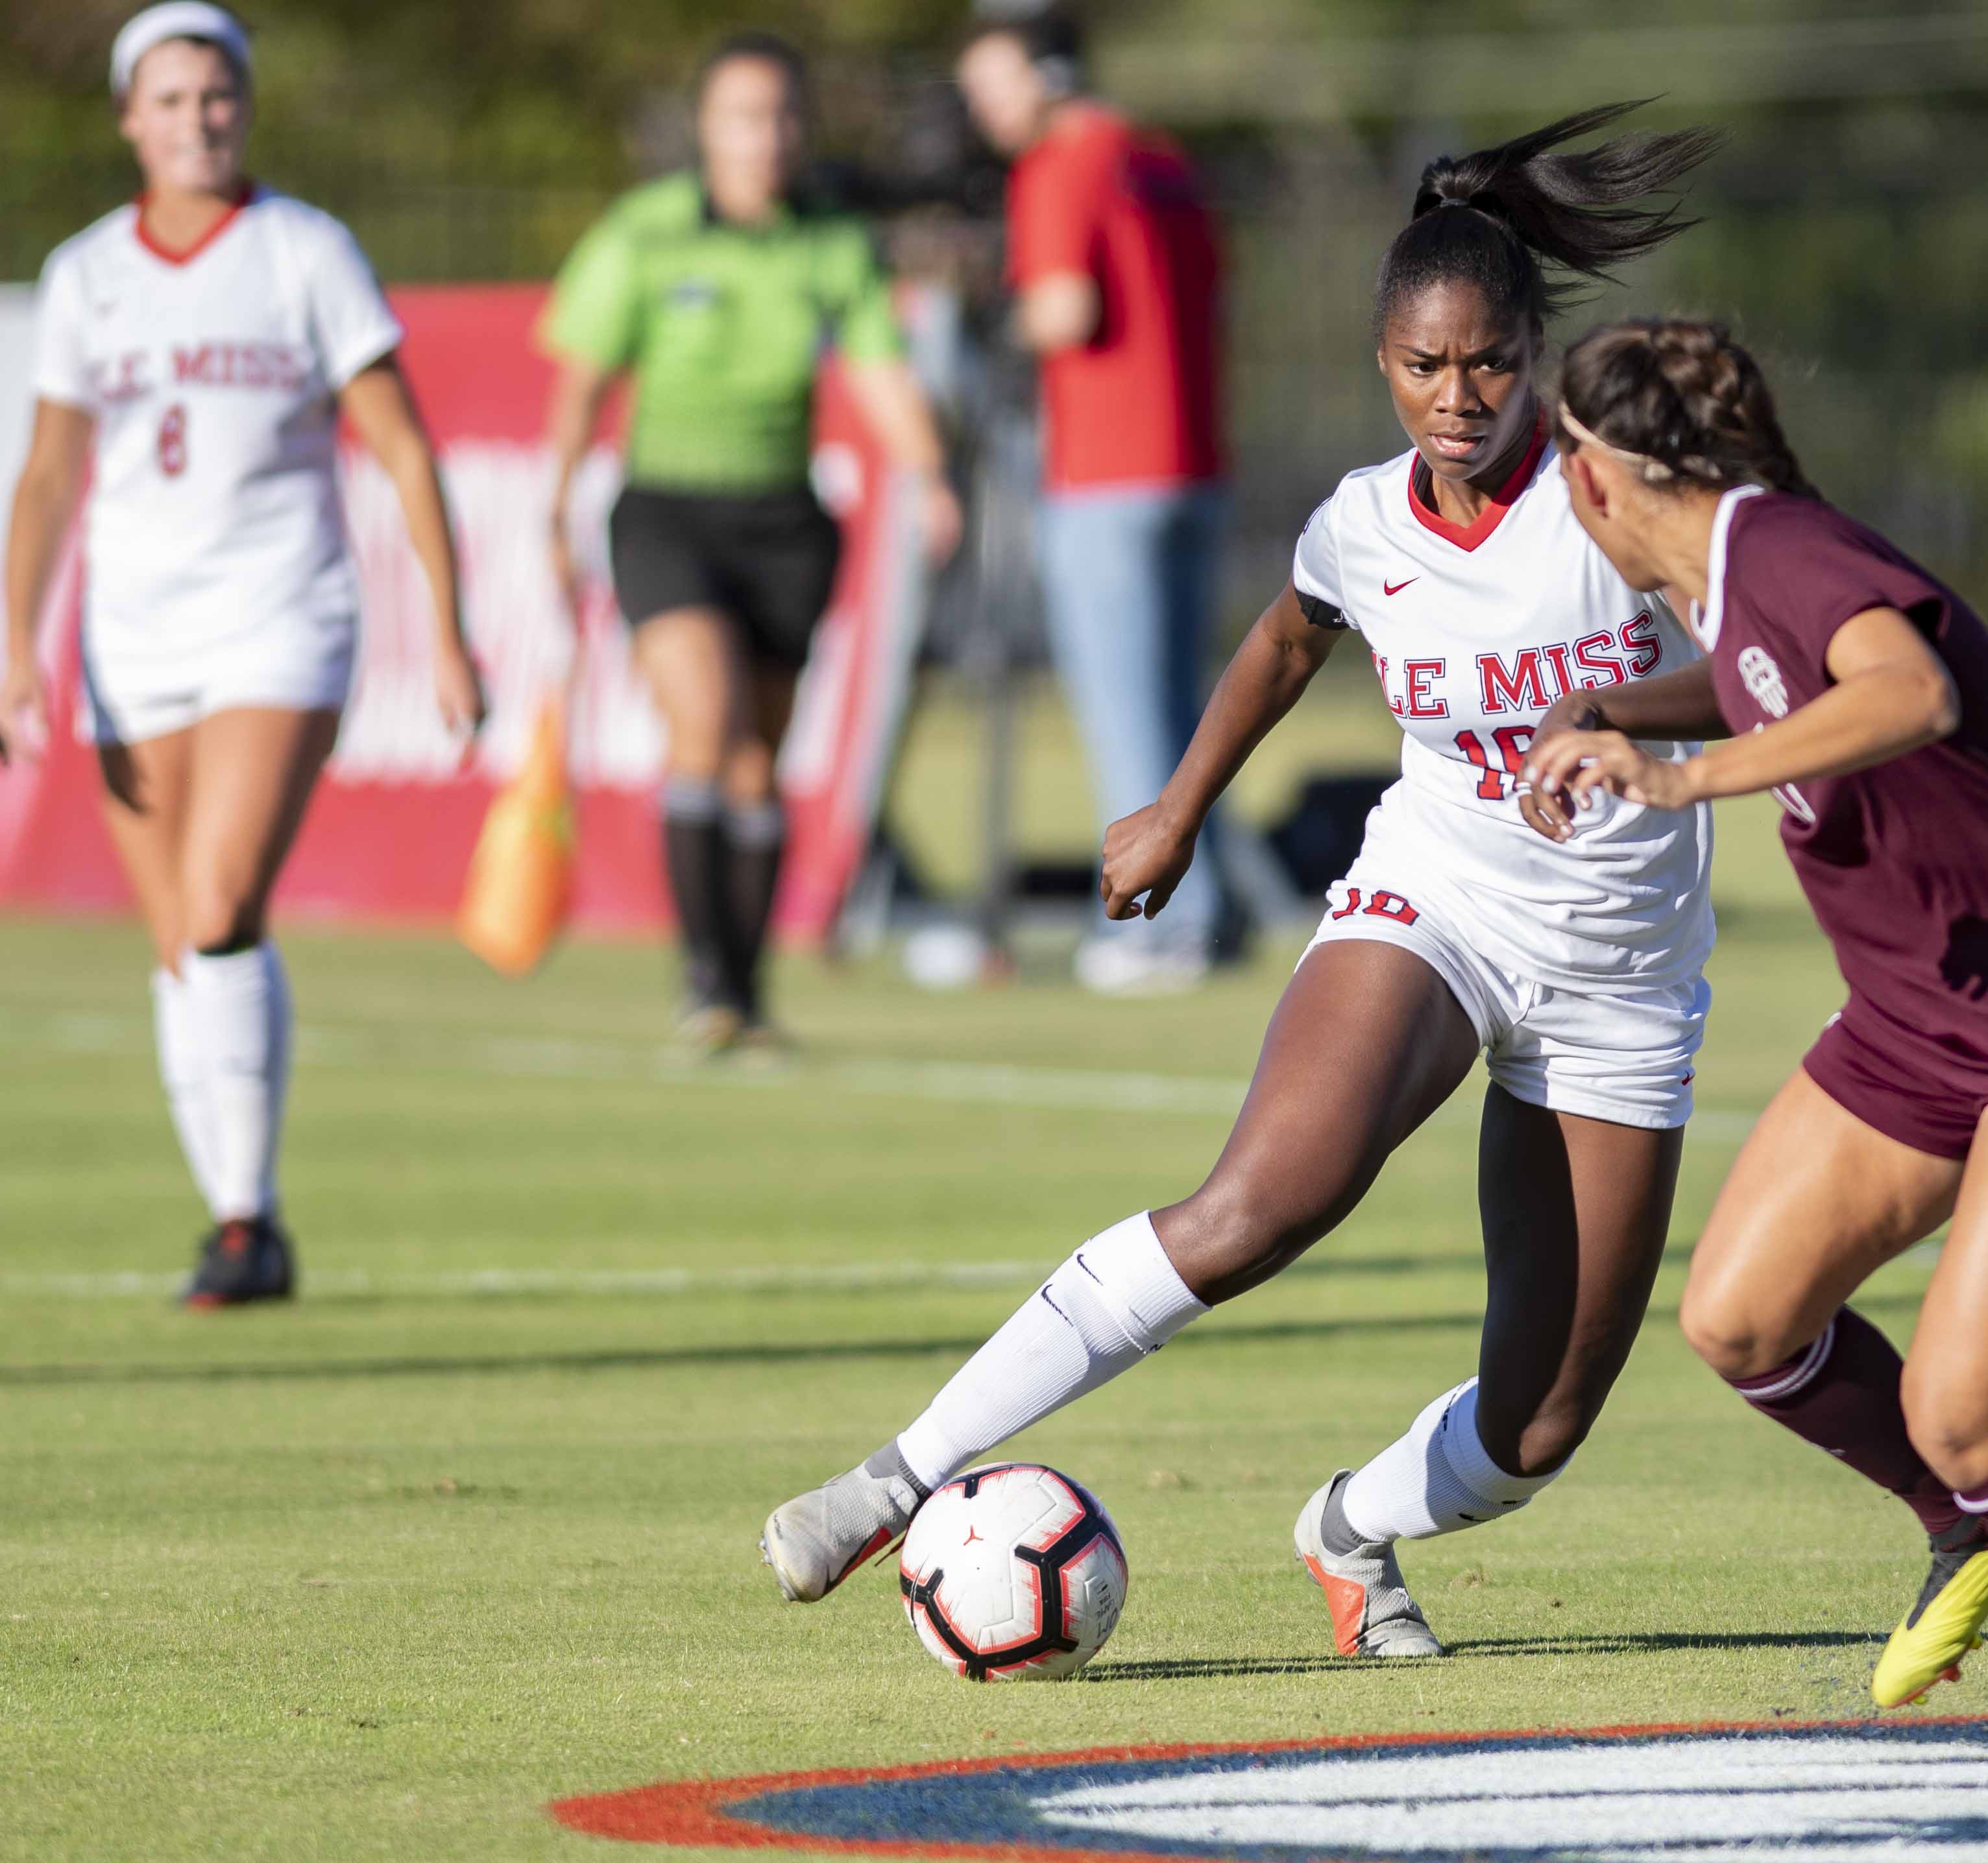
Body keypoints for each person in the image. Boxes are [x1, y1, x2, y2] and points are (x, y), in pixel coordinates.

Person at [761, 106, 1730, 1657]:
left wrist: (1617, 709)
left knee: (1540, 1422)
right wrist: (1174, 808)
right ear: (1382, 364)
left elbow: (1763, 666)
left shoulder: (1619, 501)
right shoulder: (1362, 521)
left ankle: (1348, 1526)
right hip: (1438, 904)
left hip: (1620, 974)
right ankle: (895, 1475)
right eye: (1422, 365)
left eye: (1488, 364)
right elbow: (1287, 638)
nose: (1456, 397)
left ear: (1534, 358)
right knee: (1258, 1205)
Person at [1523, 319, 1988, 1765]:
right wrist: (1608, 710)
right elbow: (1769, 681)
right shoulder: (1733, 579)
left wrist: (1684, 779)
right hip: (1921, 1011)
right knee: (1741, 1319)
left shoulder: (1781, 547)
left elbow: (1909, 692)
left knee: (1964, 1408)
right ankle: (1969, 1524)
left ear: (1598, 478)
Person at [1, 3, 483, 1308]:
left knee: (220, 905)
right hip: (133, 629)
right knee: (181, 939)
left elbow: (401, 445)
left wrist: (448, 627)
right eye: (169, 99)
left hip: (281, 610)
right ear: (129, 119)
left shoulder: (302, 250)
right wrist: (15, 645)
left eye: (216, 96)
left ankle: (239, 1221)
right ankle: (245, 1215)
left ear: (246, 107)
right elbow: (47, 477)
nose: (197, 120)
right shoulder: (88, 272)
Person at [541, 31, 962, 1057]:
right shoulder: (645, 233)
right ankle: (704, 982)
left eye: (782, 116)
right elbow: (582, 377)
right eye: (743, 117)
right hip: (667, 513)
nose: (765, 137)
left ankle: (746, 990)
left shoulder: (832, 242)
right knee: (707, 723)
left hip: (784, 524)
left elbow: (877, 366)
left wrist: (930, 475)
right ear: (705, 128)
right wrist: (555, 507)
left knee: (759, 766)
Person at [954, 9, 1234, 994]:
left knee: (1125, 717)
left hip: (1107, 474)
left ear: (1046, 73)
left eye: (996, 85)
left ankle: (1162, 924)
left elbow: (1065, 309)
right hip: (1193, 464)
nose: (986, 111)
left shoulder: (1058, 162)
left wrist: (982, 323)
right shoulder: (1157, 155)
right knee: (1186, 716)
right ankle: (1214, 909)